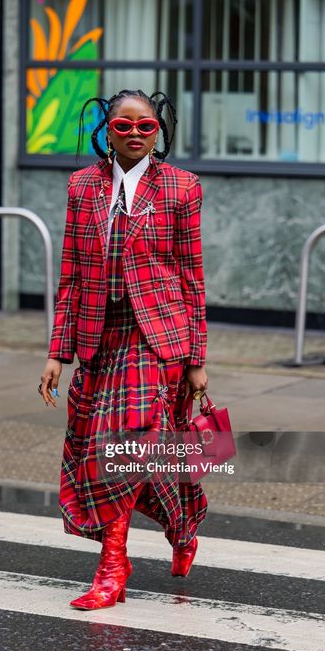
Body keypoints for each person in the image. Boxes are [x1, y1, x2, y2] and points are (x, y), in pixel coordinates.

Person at [39, 88, 208, 610]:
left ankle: (113, 565)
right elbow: (69, 276)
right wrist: (56, 353)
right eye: (123, 126)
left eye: (146, 126)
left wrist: (198, 359)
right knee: (128, 454)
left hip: (157, 339)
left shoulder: (182, 187)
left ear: (159, 131)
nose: (135, 134)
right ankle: (182, 531)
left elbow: (192, 275)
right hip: (98, 336)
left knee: (128, 444)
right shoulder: (82, 186)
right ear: (106, 129)